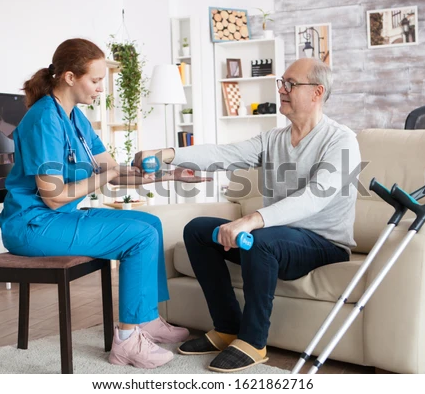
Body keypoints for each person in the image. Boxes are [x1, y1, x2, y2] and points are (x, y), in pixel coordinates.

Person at [134, 58, 361, 372]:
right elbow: (224, 155)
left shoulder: (341, 140)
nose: (282, 89)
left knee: (260, 239)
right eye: (281, 82)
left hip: (323, 244)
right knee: (198, 230)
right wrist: (169, 155)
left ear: (317, 92)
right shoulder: (274, 139)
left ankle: (254, 341)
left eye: (290, 84)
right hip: (276, 238)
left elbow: (315, 197)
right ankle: (227, 328)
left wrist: (253, 219)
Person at [0, 38, 201, 369]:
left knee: (150, 223)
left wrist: (170, 175)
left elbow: (112, 172)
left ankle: (145, 320)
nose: (99, 89)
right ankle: (125, 342)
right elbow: (53, 196)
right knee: (139, 236)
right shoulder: (43, 120)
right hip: (32, 226)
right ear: (68, 77)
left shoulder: (76, 118)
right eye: (95, 81)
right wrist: (105, 178)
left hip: (55, 219)